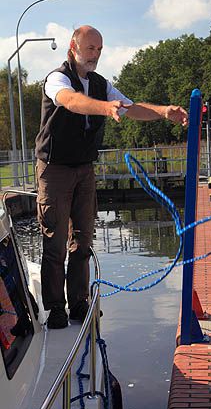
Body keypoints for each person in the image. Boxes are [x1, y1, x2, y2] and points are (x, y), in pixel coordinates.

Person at [35, 25, 188, 329]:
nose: (95, 55)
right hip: (54, 169)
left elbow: (131, 108)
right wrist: (105, 108)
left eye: (100, 49)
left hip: (84, 168)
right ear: (73, 47)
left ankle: (78, 303)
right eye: (90, 48)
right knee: (55, 239)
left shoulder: (101, 83)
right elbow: (70, 101)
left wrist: (162, 111)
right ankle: (55, 309)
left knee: (83, 238)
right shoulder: (57, 78)